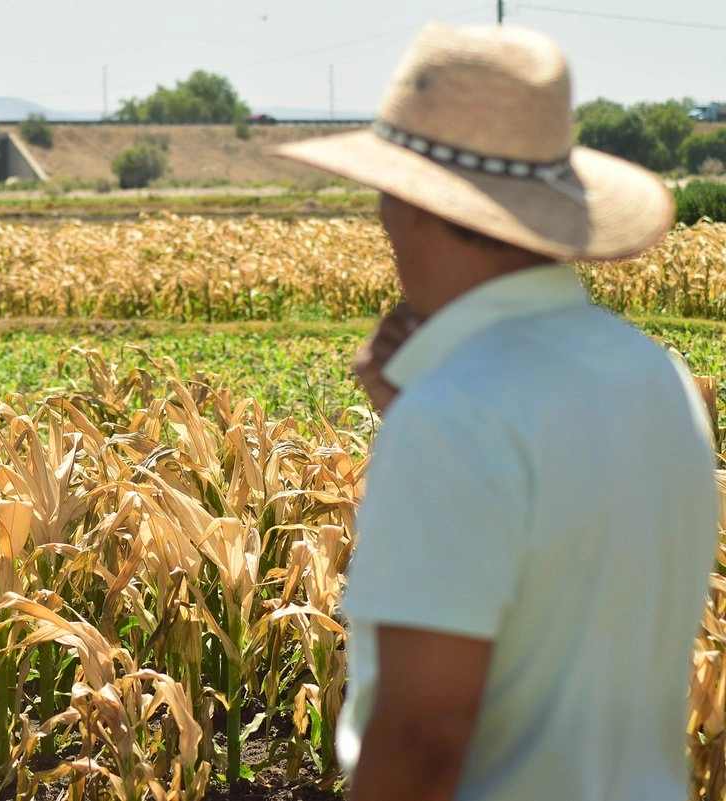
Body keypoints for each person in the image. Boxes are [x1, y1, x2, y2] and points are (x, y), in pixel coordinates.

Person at [273, 22, 720, 801]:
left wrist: (429, 421)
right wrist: (420, 414)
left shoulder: (458, 417)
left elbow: (425, 732)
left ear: (409, 201)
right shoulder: (662, 380)